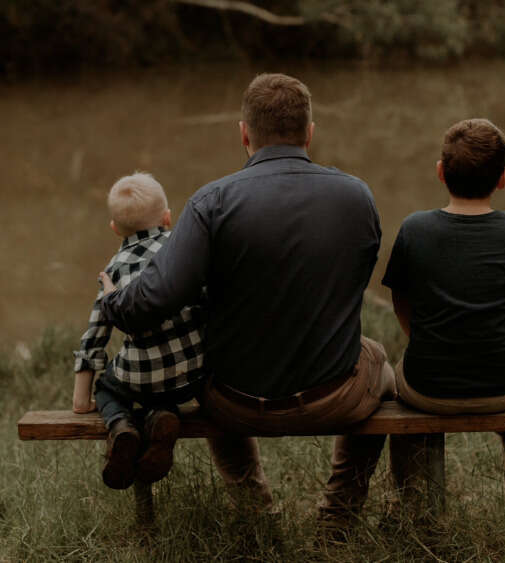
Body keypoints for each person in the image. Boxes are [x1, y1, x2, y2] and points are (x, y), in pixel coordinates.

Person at [97, 73, 396, 534]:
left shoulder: (211, 202)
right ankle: (340, 510)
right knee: (380, 363)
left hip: (233, 400)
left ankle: (257, 511)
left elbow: (152, 301)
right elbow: (356, 275)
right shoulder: (356, 195)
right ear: (310, 132)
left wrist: (113, 300)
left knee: (211, 368)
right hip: (332, 395)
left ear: (243, 134)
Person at [381, 118, 505, 521]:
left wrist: (428, 340)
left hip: (427, 387)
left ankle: (417, 507)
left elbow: (401, 305)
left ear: (441, 173)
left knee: (401, 396)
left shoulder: (414, 229)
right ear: (504, 179)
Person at [72, 172, 207, 490]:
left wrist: (81, 400)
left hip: (141, 380)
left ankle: (120, 427)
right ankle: (161, 415)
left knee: (109, 388)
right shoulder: (185, 251)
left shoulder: (114, 270)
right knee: (162, 387)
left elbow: (96, 336)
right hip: (192, 376)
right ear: (168, 217)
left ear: (115, 228)